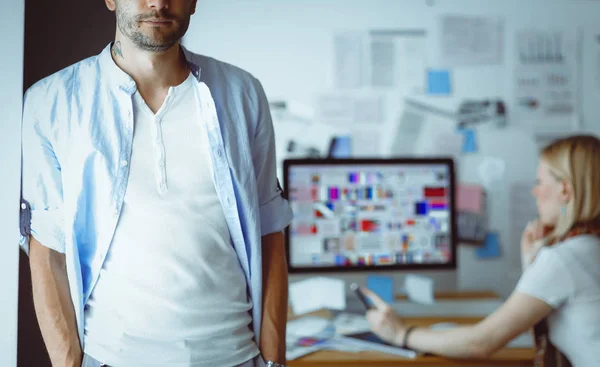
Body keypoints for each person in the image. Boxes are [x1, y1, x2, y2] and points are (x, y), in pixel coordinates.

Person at [19, 1, 293, 366]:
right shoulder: (50, 102)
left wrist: (273, 360)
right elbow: (47, 248)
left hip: (234, 355)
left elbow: (269, 232)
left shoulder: (243, 93)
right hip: (111, 357)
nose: (158, 2)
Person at [361, 135, 600, 366]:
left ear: (565, 191)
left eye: (540, 182)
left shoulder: (563, 259)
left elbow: (481, 343)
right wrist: (532, 261)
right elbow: (536, 314)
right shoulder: (588, 248)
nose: (534, 192)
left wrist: (401, 334)